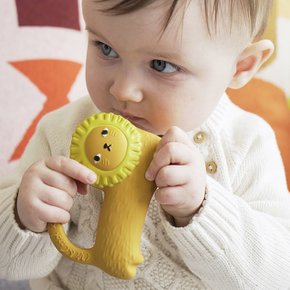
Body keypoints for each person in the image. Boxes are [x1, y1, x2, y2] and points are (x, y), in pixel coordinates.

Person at [1, 0, 290, 289]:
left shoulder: (247, 143)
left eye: (161, 65)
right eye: (106, 48)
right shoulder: (62, 132)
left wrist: (203, 208)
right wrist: (25, 217)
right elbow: (9, 265)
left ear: (240, 66)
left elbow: (277, 277)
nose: (122, 90)